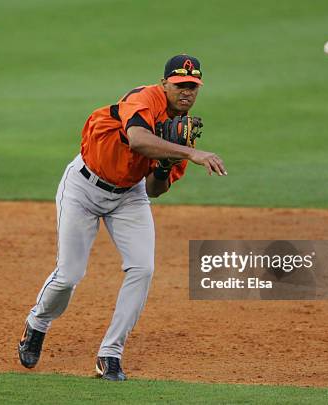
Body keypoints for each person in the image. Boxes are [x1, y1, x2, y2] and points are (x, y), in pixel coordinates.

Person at [18, 54, 227, 381]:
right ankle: (38, 322)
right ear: (164, 84)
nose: (187, 92)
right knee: (70, 274)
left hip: (129, 196)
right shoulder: (142, 98)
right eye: (180, 85)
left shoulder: (182, 133)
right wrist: (191, 153)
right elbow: (138, 138)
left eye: (193, 86)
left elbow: (154, 190)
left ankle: (110, 354)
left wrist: (166, 164)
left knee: (143, 268)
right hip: (84, 188)